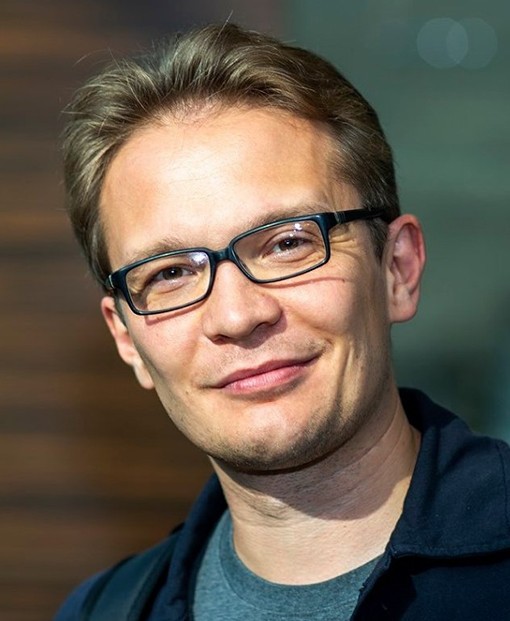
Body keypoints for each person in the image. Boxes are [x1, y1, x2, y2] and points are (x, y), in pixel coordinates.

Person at [55, 23, 510, 621]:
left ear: (397, 269)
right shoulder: (101, 612)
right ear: (127, 339)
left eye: (288, 243)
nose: (238, 315)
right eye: (170, 273)